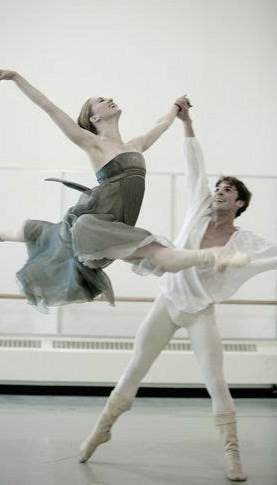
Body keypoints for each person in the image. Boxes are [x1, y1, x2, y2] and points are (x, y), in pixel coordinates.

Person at [78, 106, 277, 481]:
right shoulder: (198, 210)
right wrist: (186, 122)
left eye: (228, 190)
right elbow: (194, 166)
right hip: (167, 302)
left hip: (200, 311)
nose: (220, 191)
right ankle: (99, 432)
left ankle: (233, 455)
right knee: (134, 368)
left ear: (240, 204)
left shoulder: (245, 240)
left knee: (215, 381)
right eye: (218, 187)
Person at [0, 69, 248, 309]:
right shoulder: (92, 144)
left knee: (154, 253)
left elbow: (161, 125)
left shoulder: (135, 145)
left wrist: (177, 108)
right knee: (44, 232)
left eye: (108, 97)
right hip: (96, 220)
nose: (109, 99)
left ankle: (210, 257)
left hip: (120, 223)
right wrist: (17, 77)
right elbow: (50, 108)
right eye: (101, 101)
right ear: (94, 119)